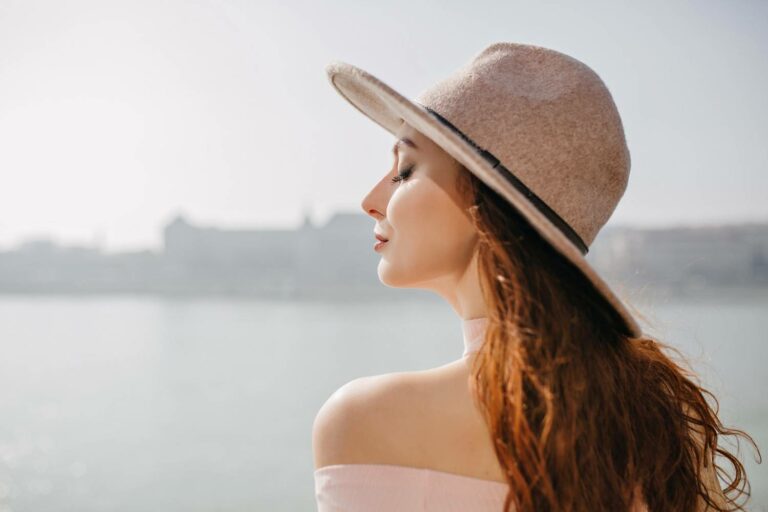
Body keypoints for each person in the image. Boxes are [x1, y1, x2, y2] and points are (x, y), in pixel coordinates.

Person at [312, 42, 758, 512]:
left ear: (484, 199)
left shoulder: (366, 421)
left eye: (405, 169)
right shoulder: (668, 417)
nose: (370, 199)